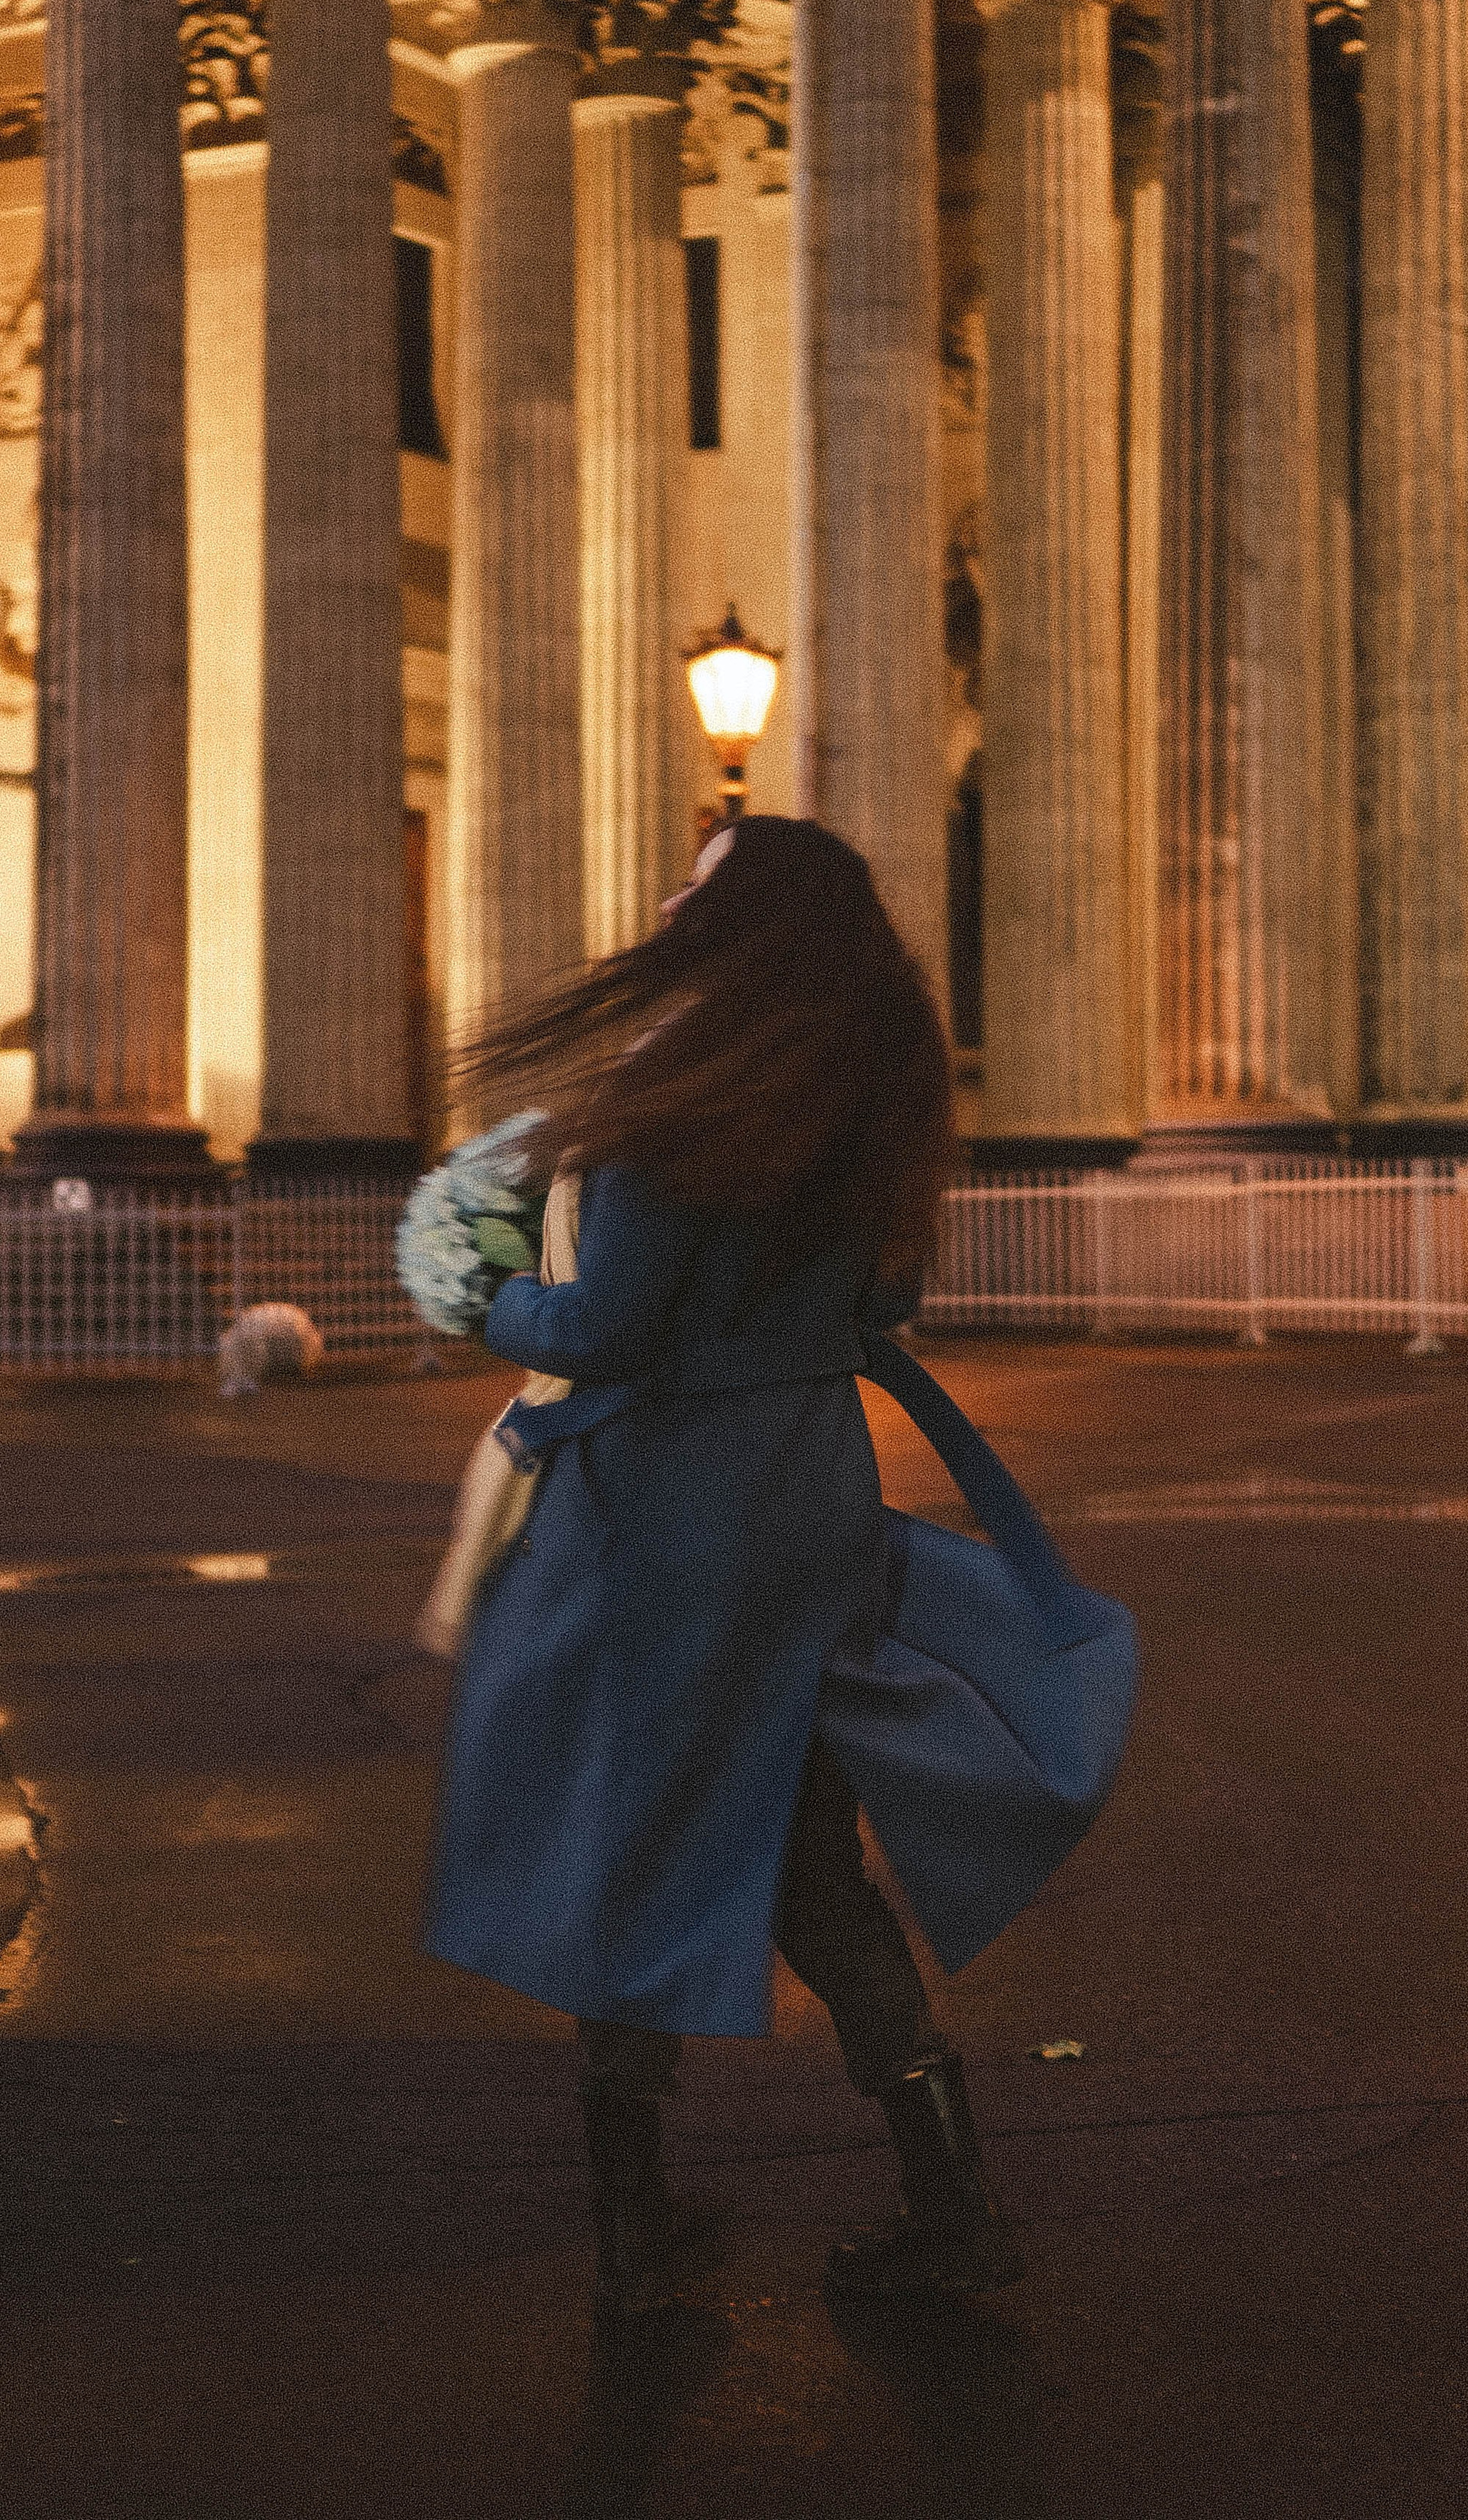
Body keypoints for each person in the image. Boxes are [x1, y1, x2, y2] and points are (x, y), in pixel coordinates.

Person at [424, 816, 1024, 2318]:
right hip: (806, 1500)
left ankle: (634, 2222)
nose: (668, 901)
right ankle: (949, 2200)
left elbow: (607, 1328)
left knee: (625, 1841)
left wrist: (490, 1301)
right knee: (810, 1859)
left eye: (693, 884)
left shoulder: (670, 1097)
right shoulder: (875, 1095)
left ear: (736, 923)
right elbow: (884, 1296)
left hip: (660, 1519)